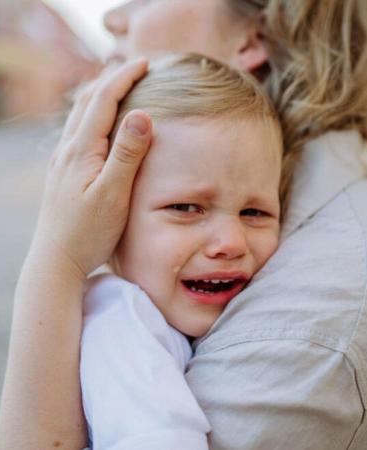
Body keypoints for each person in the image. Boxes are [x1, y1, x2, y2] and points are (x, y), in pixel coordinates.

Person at [0, 1, 367, 449]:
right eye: (185, 207)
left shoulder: (308, 319)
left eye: (254, 213)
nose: (112, 16)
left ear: (255, 37)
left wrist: (57, 260)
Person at [80, 54, 282, 449]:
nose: (231, 243)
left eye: (254, 212)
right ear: (111, 217)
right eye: (186, 208)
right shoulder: (122, 327)